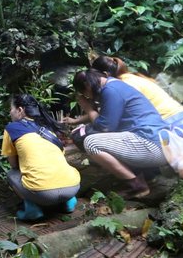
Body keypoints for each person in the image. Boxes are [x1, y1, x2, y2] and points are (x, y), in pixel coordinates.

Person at [71, 69, 169, 198]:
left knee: (90, 142)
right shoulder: (115, 84)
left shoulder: (110, 91)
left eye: (84, 93)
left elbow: (105, 127)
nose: (87, 97)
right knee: (109, 136)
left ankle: (137, 186)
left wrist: (88, 108)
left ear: (87, 86)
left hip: (151, 145)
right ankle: (149, 175)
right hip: (162, 143)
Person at [2, 94, 81, 220]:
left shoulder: (12, 129)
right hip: (73, 187)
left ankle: (32, 209)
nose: (10, 113)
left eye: (11, 109)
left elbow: (13, 164)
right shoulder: (49, 128)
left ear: (20, 110)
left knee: (12, 174)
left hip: (43, 194)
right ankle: (69, 202)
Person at [89, 56, 183, 140]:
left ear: (104, 75)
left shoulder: (121, 85)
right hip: (180, 115)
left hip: (168, 122)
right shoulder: (132, 77)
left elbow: (110, 118)